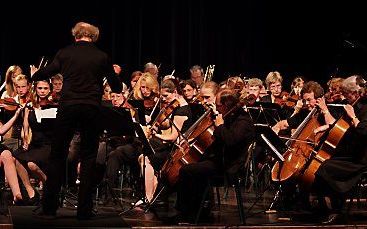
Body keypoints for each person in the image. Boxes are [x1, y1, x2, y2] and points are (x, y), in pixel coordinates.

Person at [30, 21, 122, 220]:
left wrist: (35, 74)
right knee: (88, 156)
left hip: (68, 106)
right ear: (93, 36)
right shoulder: (101, 56)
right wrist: (115, 84)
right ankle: (84, 210)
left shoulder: (65, 52)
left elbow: (46, 72)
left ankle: (49, 207)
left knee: (57, 154)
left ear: (75, 35)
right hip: (91, 108)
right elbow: (115, 86)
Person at [175, 89, 255, 223]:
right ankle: (198, 210)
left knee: (186, 171)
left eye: (218, 105)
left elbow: (230, 141)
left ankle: (187, 213)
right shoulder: (230, 117)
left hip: (230, 166)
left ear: (225, 105)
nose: (216, 108)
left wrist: (220, 126)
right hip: (220, 160)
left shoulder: (243, 121)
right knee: (194, 165)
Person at [313, 75, 367, 224]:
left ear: (355, 93)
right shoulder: (353, 105)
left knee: (326, 168)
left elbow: (364, 132)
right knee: (321, 166)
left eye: (347, 94)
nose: (344, 97)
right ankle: (326, 207)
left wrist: (353, 117)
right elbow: (340, 127)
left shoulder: (364, 108)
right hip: (350, 153)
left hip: (360, 158)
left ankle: (336, 210)